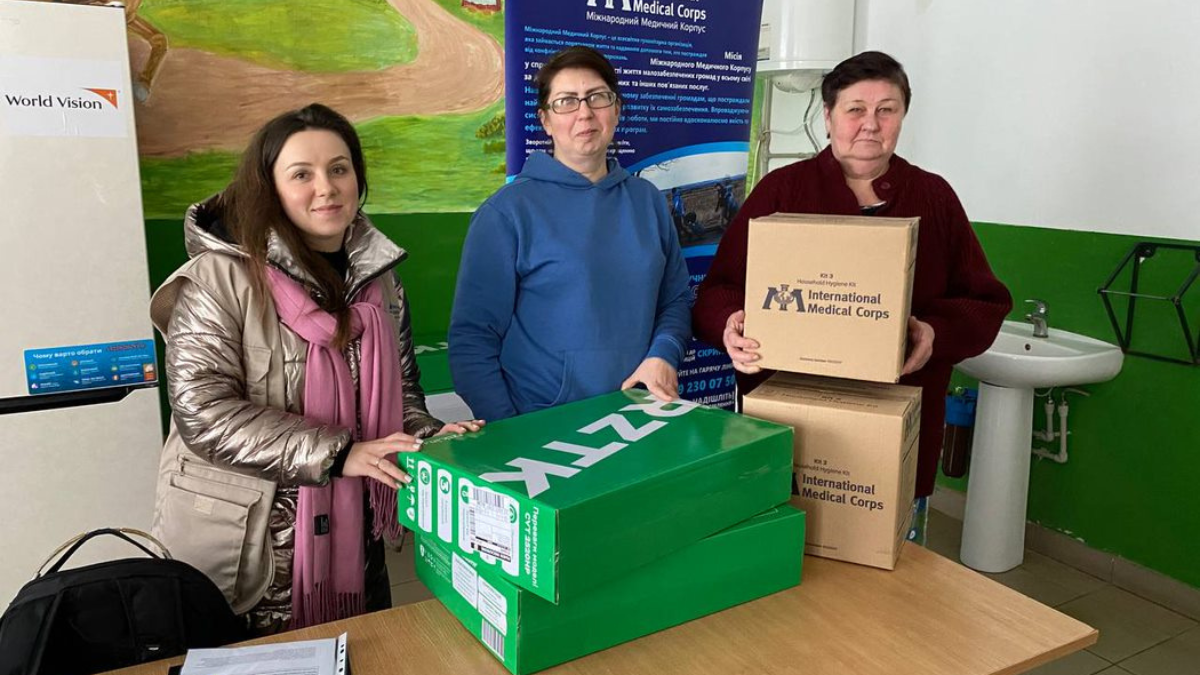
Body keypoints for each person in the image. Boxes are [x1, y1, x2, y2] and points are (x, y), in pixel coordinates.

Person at [148, 103, 482, 634]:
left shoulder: (379, 280)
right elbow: (202, 411)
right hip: (249, 549)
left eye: (339, 169)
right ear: (269, 188)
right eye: (301, 174)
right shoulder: (219, 279)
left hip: (356, 536)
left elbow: (403, 394)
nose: (325, 187)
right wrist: (341, 452)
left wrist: (430, 435)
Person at [692, 51, 1012, 542]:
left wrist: (935, 332)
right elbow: (719, 289)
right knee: (783, 566)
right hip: (790, 424)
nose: (871, 124)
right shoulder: (782, 192)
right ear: (828, 117)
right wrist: (729, 324)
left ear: (903, 116)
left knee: (891, 580)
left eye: (887, 109)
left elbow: (986, 303)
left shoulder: (933, 198)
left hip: (896, 427)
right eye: (855, 109)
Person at [449, 46, 691, 421]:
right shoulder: (507, 212)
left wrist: (664, 353)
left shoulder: (649, 201)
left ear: (617, 109)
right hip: (541, 427)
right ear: (545, 120)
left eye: (597, 97)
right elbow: (472, 341)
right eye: (566, 101)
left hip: (639, 416)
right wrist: (509, 432)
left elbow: (674, 300)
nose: (584, 113)